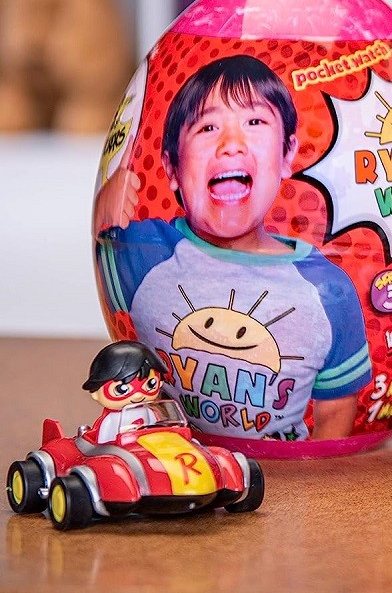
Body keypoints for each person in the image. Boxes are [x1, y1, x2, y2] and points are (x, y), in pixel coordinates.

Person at [93, 55, 371, 443]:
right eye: (207, 127)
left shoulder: (327, 289)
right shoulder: (143, 252)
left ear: (287, 154)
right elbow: (95, 247)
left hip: (286, 474)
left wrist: (310, 477)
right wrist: (106, 202)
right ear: (171, 168)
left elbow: (336, 410)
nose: (231, 145)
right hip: (176, 463)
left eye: (254, 122)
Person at [82, 341, 168, 443]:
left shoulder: (149, 412)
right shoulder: (112, 419)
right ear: (96, 393)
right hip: (119, 450)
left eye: (151, 384)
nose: (138, 395)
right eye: (121, 389)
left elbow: (157, 430)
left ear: (160, 382)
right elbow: (102, 443)